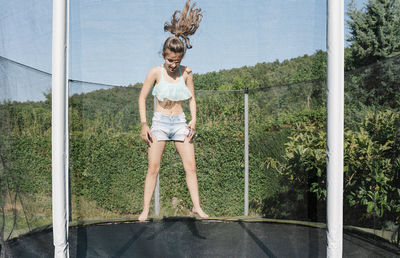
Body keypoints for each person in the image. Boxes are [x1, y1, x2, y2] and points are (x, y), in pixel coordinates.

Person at [138, 0, 208, 222]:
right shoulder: (155, 72)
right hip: (159, 123)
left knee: (191, 167)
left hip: (179, 123)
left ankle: (197, 207)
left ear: (181, 59)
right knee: (153, 168)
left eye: (176, 61)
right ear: (163, 56)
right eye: (169, 60)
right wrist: (144, 124)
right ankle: (145, 210)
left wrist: (193, 121)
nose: (172, 64)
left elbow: (192, 100)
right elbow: (141, 98)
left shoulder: (186, 72)